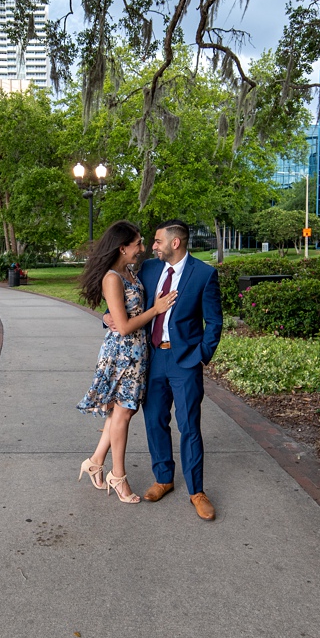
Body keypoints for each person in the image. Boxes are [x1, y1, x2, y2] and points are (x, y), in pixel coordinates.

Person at [109, 219, 223, 520]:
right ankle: (163, 479)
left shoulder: (204, 274)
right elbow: (125, 302)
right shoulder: (149, 270)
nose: (152, 247)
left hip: (185, 361)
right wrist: (108, 316)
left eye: (157, 241)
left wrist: (201, 355)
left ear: (176, 243)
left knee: (188, 426)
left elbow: (215, 322)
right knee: (154, 421)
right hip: (153, 358)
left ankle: (196, 491)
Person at [76, 221, 177, 504]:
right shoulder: (113, 277)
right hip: (122, 353)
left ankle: (96, 461)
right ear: (123, 248)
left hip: (137, 352)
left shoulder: (129, 272)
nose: (143, 249)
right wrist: (155, 310)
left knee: (122, 413)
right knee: (123, 413)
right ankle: (117, 476)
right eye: (138, 244)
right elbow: (122, 326)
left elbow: (117, 313)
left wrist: (113, 316)